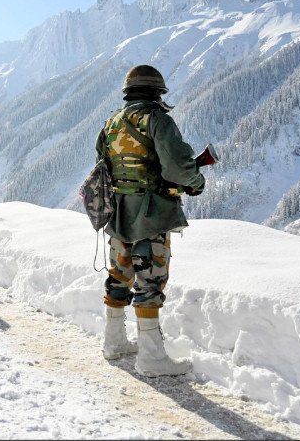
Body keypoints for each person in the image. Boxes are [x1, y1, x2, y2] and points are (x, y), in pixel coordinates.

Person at [95, 64, 205, 377]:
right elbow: (177, 168)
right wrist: (196, 182)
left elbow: (102, 165)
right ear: (158, 92)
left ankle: (113, 343)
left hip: (118, 212)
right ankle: (152, 358)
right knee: (150, 279)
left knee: (119, 274)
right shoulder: (158, 120)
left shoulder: (112, 122)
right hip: (152, 214)